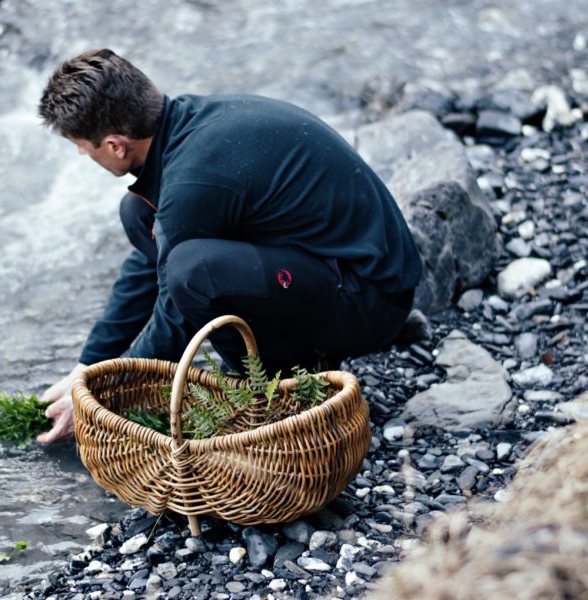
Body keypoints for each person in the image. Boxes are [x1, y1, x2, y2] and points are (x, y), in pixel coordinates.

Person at [35, 48, 422, 444]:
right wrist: (89, 365)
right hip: (325, 269)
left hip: (369, 300)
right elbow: (144, 267)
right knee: (139, 213)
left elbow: (173, 306)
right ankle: (282, 354)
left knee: (193, 271)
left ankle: (271, 389)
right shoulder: (186, 123)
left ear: (116, 145)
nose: (82, 153)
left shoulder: (195, 178)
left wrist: (102, 399)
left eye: (82, 145)